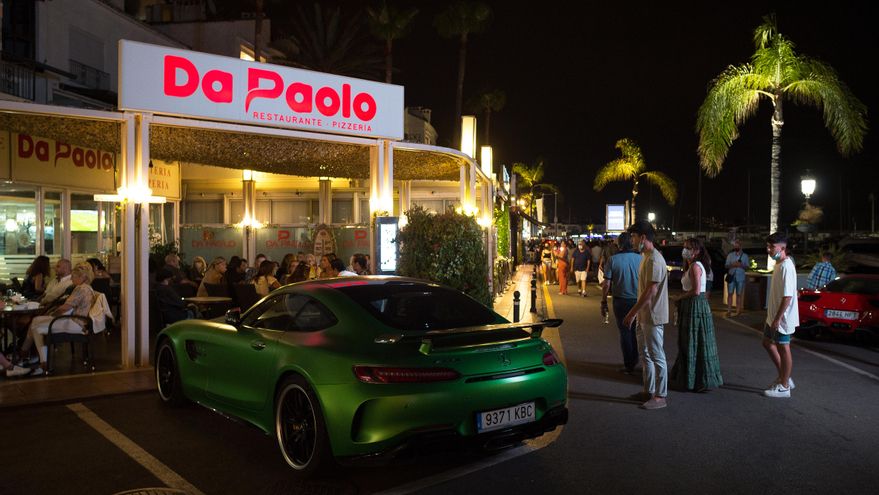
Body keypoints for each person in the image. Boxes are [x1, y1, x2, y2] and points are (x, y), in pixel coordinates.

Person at [7, 266, 96, 377]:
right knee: (35, 320)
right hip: (76, 321)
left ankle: (43, 363)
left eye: (73, 276)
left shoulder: (81, 289)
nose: (71, 279)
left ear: (83, 277)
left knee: (36, 328)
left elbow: (64, 308)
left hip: (75, 323)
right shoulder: (86, 288)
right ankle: (25, 353)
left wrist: (52, 315)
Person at [623, 220, 670, 410]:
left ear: (643, 237)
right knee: (645, 355)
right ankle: (648, 391)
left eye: (633, 237)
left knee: (657, 355)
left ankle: (660, 396)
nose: (631, 241)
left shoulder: (655, 259)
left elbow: (651, 291)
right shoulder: (645, 256)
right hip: (644, 315)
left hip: (653, 315)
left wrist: (631, 313)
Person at [671, 238, 723, 392]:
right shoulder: (692, 265)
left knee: (693, 341)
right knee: (693, 341)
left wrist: (678, 298)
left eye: (688, 248)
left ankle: (697, 380)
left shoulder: (695, 266)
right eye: (685, 247)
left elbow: (696, 290)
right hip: (693, 305)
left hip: (695, 305)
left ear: (697, 251)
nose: (685, 250)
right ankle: (692, 378)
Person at [763, 232, 799, 398]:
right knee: (767, 343)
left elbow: (788, 297)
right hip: (773, 317)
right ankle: (785, 376)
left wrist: (777, 319)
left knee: (784, 348)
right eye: (768, 246)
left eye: (772, 246)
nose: (768, 249)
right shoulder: (779, 264)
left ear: (782, 247)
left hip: (782, 318)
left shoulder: (786, 266)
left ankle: (784, 386)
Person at [603, 234, 641, 374]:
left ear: (619, 245)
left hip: (621, 301)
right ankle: (635, 359)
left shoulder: (612, 260)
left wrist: (603, 301)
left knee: (625, 332)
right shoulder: (641, 259)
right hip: (638, 301)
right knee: (636, 331)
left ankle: (629, 364)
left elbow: (606, 284)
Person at [725, 240, 750, 317]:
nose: (735, 247)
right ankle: (729, 310)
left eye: (737, 246)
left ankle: (738, 310)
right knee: (730, 293)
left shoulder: (745, 256)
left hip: (740, 277)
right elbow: (726, 266)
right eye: (735, 246)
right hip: (731, 276)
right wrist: (733, 265)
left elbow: (747, 267)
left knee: (739, 294)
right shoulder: (730, 255)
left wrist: (741, 265)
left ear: (740, 246)